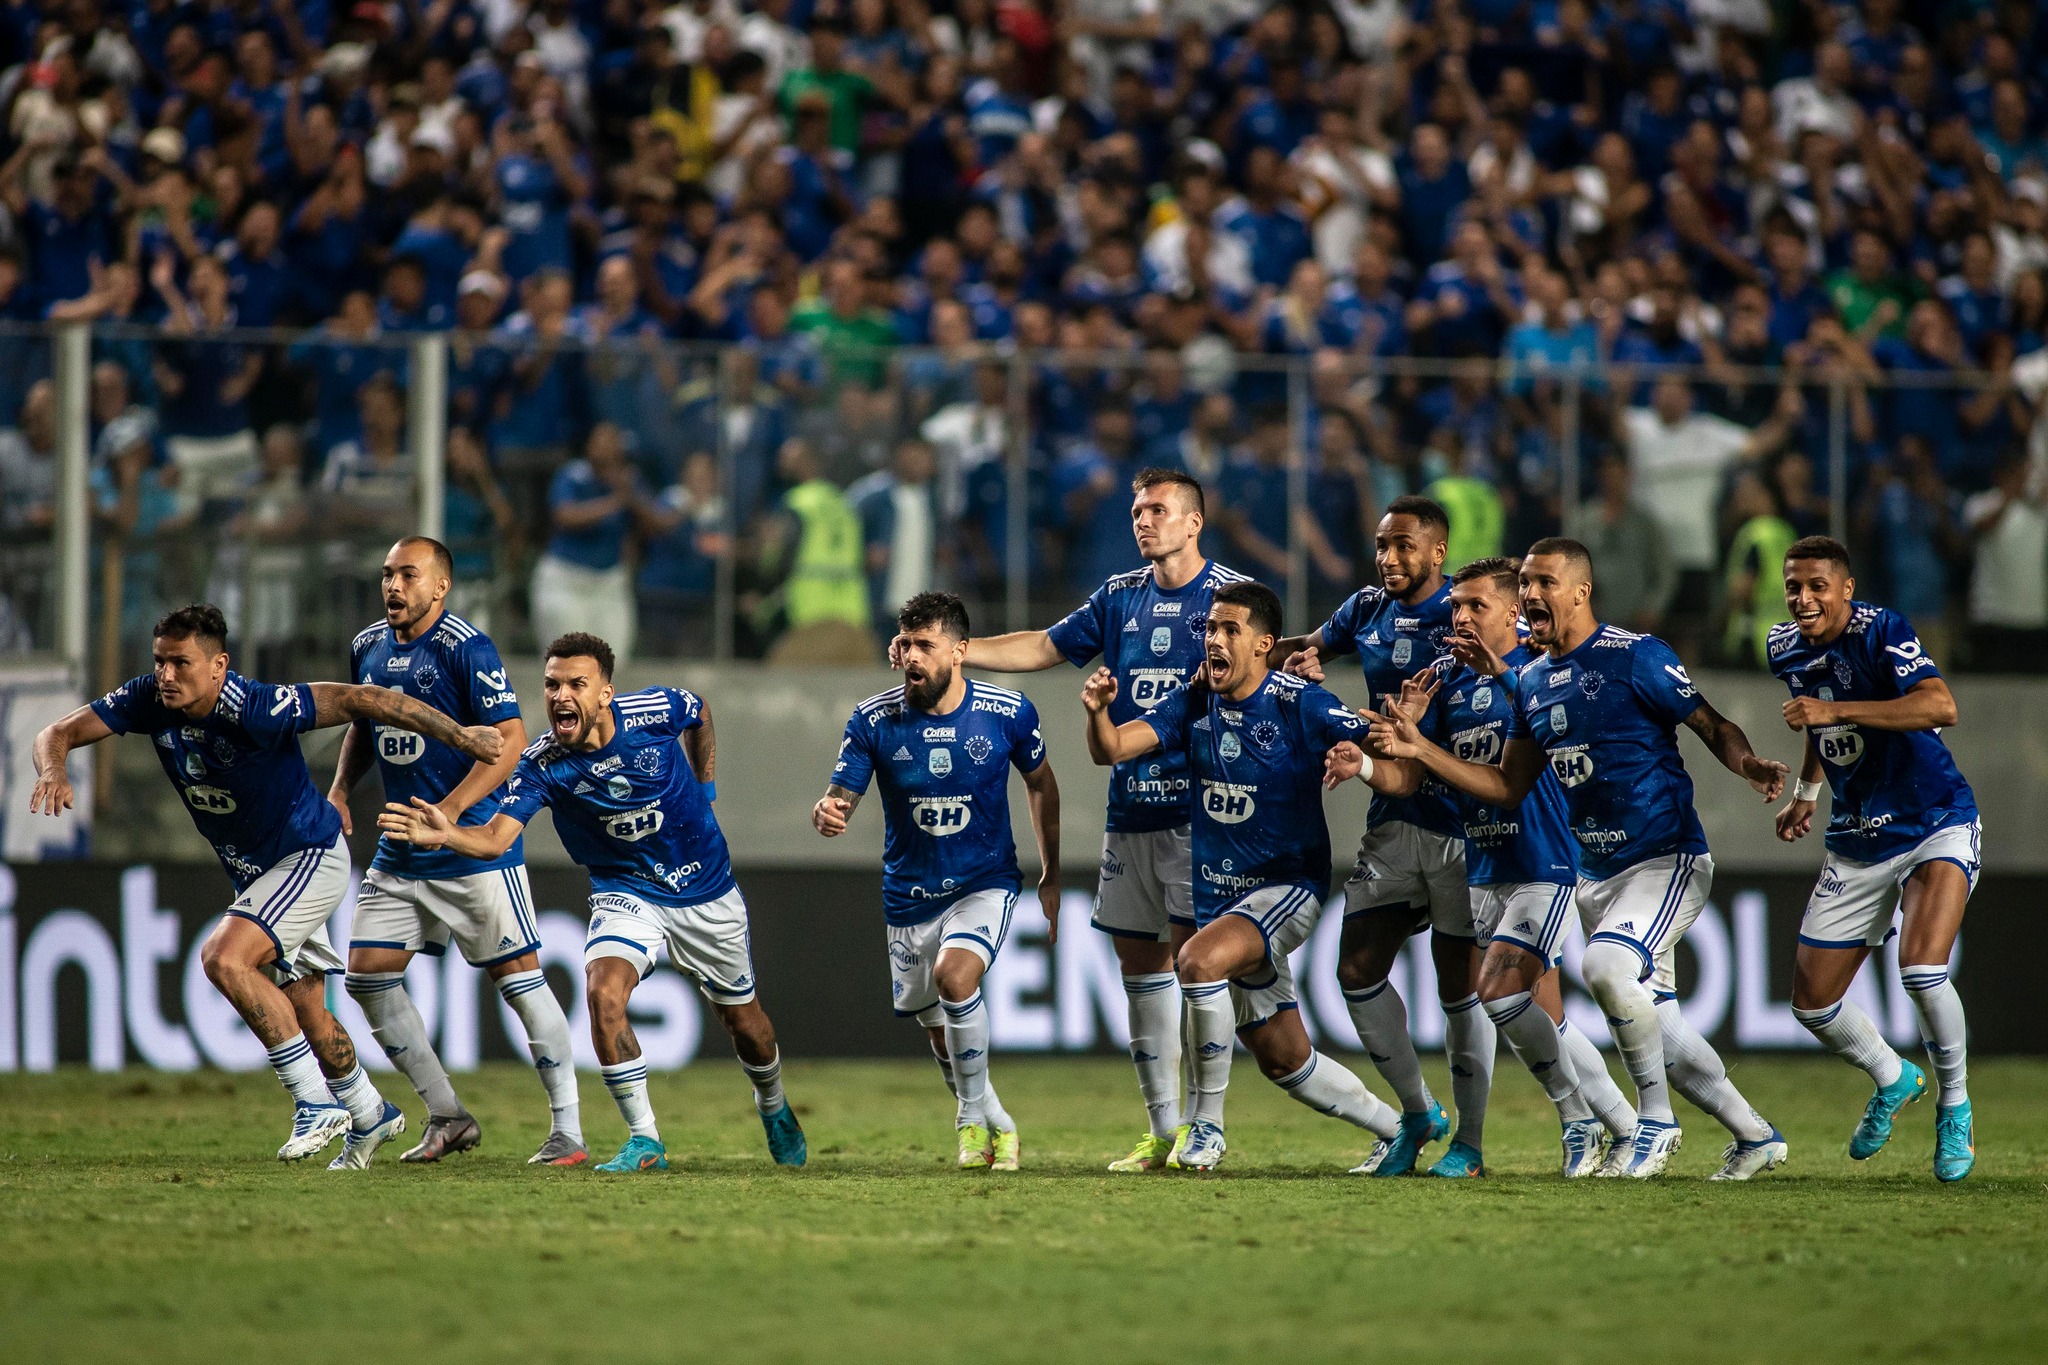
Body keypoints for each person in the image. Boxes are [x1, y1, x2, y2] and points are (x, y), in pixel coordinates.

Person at [1369, 540, 1793, 1179]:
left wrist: (1748, 763)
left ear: (1578, 592)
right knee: (1663, 1029)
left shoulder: (1635, 656)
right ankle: (1755, 1135)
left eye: (1543, 583)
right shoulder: (1532, 682)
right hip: (1598, 873)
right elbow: (1508, 786)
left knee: (1602, 967)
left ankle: (1650, 1124)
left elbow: (1711, 725)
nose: (1534, 594)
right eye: (1528, 583)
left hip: (1664, 856)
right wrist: (1420, 751)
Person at [30, 604, 506, 1167]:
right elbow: (55, 732)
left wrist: (460, 735)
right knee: (307, 1012)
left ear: (219, 666)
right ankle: (369, 1110)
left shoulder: (257, 705)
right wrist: (53, 769)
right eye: (160, 662)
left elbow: (366, 700)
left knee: (224, 958)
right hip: (258, 872)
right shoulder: (149, 700)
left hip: (308, 855)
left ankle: (314, 1105)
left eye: (181, 663)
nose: (166, 676)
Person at [378, 632, 807, 1174]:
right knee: (603, 993)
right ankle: (645, 1138)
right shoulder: (541, 765)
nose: (561, 695)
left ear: (606, 692)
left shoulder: (655, 711)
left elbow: (699, 712)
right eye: (552, 684)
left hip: (706, 889)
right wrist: (446, 835)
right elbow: (493, 838)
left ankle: (771, 1103)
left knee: (746, 1023)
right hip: (625, 891)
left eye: (577, 684)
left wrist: (706, 789)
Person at [947, 469, 1249, 1172]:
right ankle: (1164, 1130)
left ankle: (1209, 1125)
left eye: (1157, 509)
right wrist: (964, 649)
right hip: (1131, 808)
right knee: (1140, 968)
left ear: (1193, 521)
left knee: (1197, 967)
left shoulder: (1228, 598)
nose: (1143, 520)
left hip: (1200, 816)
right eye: (1138, 509)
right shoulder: (1119, 597)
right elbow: (1044, 648)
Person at [1081, 580, 1404, 1171]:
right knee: (1284, 1059)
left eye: (1230, 630)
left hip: (1285, 888)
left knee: (1196, 963)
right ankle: (1399, 1127)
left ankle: (1205, 1127)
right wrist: (1099, 713)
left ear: (1264, 644)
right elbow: (1113, 750)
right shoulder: (1193, 699)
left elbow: (1384, 745)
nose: (1214, 640)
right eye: (1210, 629)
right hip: (1221, 902)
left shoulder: (1300, 702)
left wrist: (1386, 740)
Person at [1366, 558, 1639, 1177]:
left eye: (1474, 606)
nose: (1458, 616)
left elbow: (1519, 774)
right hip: (1484, 867)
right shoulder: (1443, 680)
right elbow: (1416, 770)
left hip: (1546, 861)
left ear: (1513, 612)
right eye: (1455, 606)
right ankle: (1625, 1128)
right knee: (1540, 1015)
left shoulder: (1543, 672)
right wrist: (1387, 738)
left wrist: (1424, 745)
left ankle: (1579, 1124)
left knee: (1496, 992)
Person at [328, 537, 585, 1167]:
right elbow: (365, 720)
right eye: (387, 574)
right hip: (401, 846)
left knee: (520, 983)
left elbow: (513, 739)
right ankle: (447, 1115)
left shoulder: (467, 647)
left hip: (472, 849)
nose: (393, 586)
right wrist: (338, 788)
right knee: (364, 975)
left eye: (408, 575)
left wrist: (449, 811)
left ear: (440, 586)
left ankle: (569, 1132)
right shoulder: (368, 646)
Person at [1264, 496, 1486, 1178]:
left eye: (1404, 545)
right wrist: (1272, 657)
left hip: (1460, 823)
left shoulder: (1465, 615)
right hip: (1392, 820)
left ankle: (1470, 1146)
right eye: (1382, 544)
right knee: (1357, 971)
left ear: (1438, 551)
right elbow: (1301, 649)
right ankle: (1418, 1114)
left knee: (1460, 990)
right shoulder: (1365, 609)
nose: (1389, 557)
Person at [812, 592, 1061, 1171]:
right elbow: (839, 795)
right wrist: (828, 811)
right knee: (937, 1031)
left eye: (927, 644)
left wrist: (1049, 870)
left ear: (960, 650)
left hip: (984, 881)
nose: (914, 655)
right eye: (908, 643)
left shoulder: (1007, 712)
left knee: (956, 977)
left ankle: (969, 1122)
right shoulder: (873, 719)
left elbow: (1042, 784)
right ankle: (995, 1119)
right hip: (908, 895)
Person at [1768, 537, 1979, 1183]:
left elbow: (1941, 706)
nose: (1804, 598)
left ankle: (1954, 1104)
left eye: (1817, 586)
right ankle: (1893, 1076)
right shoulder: (1782, 644)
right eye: (1794, 586)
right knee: (1811, 1004)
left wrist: (1836, 708)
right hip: (1857, 836)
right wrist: (1807, 792)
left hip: (1933, 820)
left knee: (1919, 968)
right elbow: (1818, 723)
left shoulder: (1882, 630)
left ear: (1846, 589)